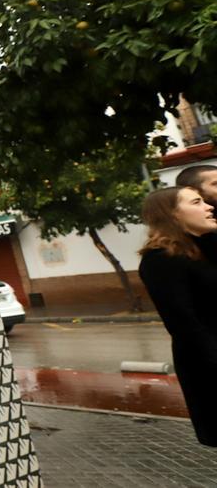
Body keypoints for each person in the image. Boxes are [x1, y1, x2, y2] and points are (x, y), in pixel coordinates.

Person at [137, 187, 217, 447]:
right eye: (197, 202)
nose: (208, 207)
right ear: (172, 214)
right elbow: (186, 326)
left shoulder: (208, 246)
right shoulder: (160, 261)